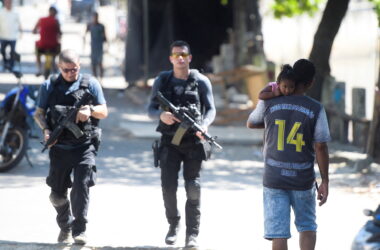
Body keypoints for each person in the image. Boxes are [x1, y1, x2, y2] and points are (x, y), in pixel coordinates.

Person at [247, 59, 330, 250]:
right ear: (310, 82)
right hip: (302, 180)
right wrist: (325, 180)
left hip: (274, 178)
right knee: (307, 227)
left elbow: (251, 123)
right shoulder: (315, 108)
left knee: (279, 234)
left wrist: (271, 124)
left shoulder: (269, 101)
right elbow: (320, 146)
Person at [34, 49, 108, 245]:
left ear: (79, 66)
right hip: (60, 147)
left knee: (81, 185)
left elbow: (104, 111)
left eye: (74, 70)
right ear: (59, 68)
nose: (70, 74)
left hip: (84, 145)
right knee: (56, 195)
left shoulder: (90, 84)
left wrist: (90, 110)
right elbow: (39, 113)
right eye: (66, 70)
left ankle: (79, 230)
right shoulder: (49, 86)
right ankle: (65, 224)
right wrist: (47, 131)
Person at [147, 40, 216, 248]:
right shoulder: (162, 80)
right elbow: (150, 109)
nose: (180, 58)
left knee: (193, 187)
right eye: (176, 55)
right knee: (168, 187)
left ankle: (192, 234)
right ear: (171, 58)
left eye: (183, 55)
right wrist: (162, 116)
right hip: (170, 142)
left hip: (194, 142)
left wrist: (204, 125)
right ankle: (173, 224)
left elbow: (211, 109)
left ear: (189, 58)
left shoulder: (201, 81)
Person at [33, 6, 61, 76]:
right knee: (57, 48)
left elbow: (34, 30)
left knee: (37, 50)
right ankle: (53, 63)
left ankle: (39, 68)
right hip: (53, 46)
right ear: (55, 14)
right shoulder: (56, 21)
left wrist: (37, 32)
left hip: (42, 45)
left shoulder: (41, 19)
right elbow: (60, 32)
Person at [0, 0, 22, 71]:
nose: (8, 4)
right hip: (3, 35)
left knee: (12, 51)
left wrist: (21, 32)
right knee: (2, 50)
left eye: (9, 2)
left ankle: (11, 65)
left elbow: (19, 23)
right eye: (7, 2)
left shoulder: (15, 12)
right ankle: (6, 63)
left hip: (13, 36)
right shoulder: (1, 12)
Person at [85, 11, 107, 81]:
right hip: (93, 47)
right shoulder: (90, 25)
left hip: (99, 47)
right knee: (93, 64)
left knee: (100, 63)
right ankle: (95, 78)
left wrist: (106, 43)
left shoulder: (101, 26)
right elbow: (85, 34)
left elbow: (105, 37)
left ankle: (101, 79)